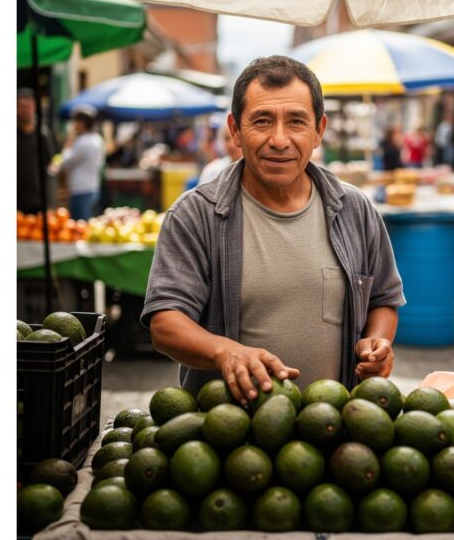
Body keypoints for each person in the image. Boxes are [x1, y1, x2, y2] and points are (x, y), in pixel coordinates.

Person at [141, 55, 406, 405]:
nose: (279, 140)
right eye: (262, 121)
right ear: (235, 130)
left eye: (296, 122)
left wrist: (378, 342)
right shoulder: (195, 215)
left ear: (318, 131)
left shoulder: (355, 210)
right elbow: (165, 323)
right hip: (226, 427)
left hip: (334, 425)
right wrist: (224, 352)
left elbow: (383, 299)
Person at [50, 104, 105, 220]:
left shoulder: (82, 142)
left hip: (80, 190)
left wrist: (67, 144)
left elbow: (65, 162)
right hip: (92, 187)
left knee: (80, 225)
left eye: (75, 122)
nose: (73, 125)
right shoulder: (97, 139)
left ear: (82, 123)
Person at [16, 88, 56, 214]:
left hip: (39, 201)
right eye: (21, 106)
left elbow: (51, 163)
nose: (24, 110)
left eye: (27, 107)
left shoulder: (43, 135)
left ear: (33, 108)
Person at [198, 121, 243, 185]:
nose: (231, 144)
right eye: (227, 138)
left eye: (237, 137)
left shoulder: (255, 172)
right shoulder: (212, 171)